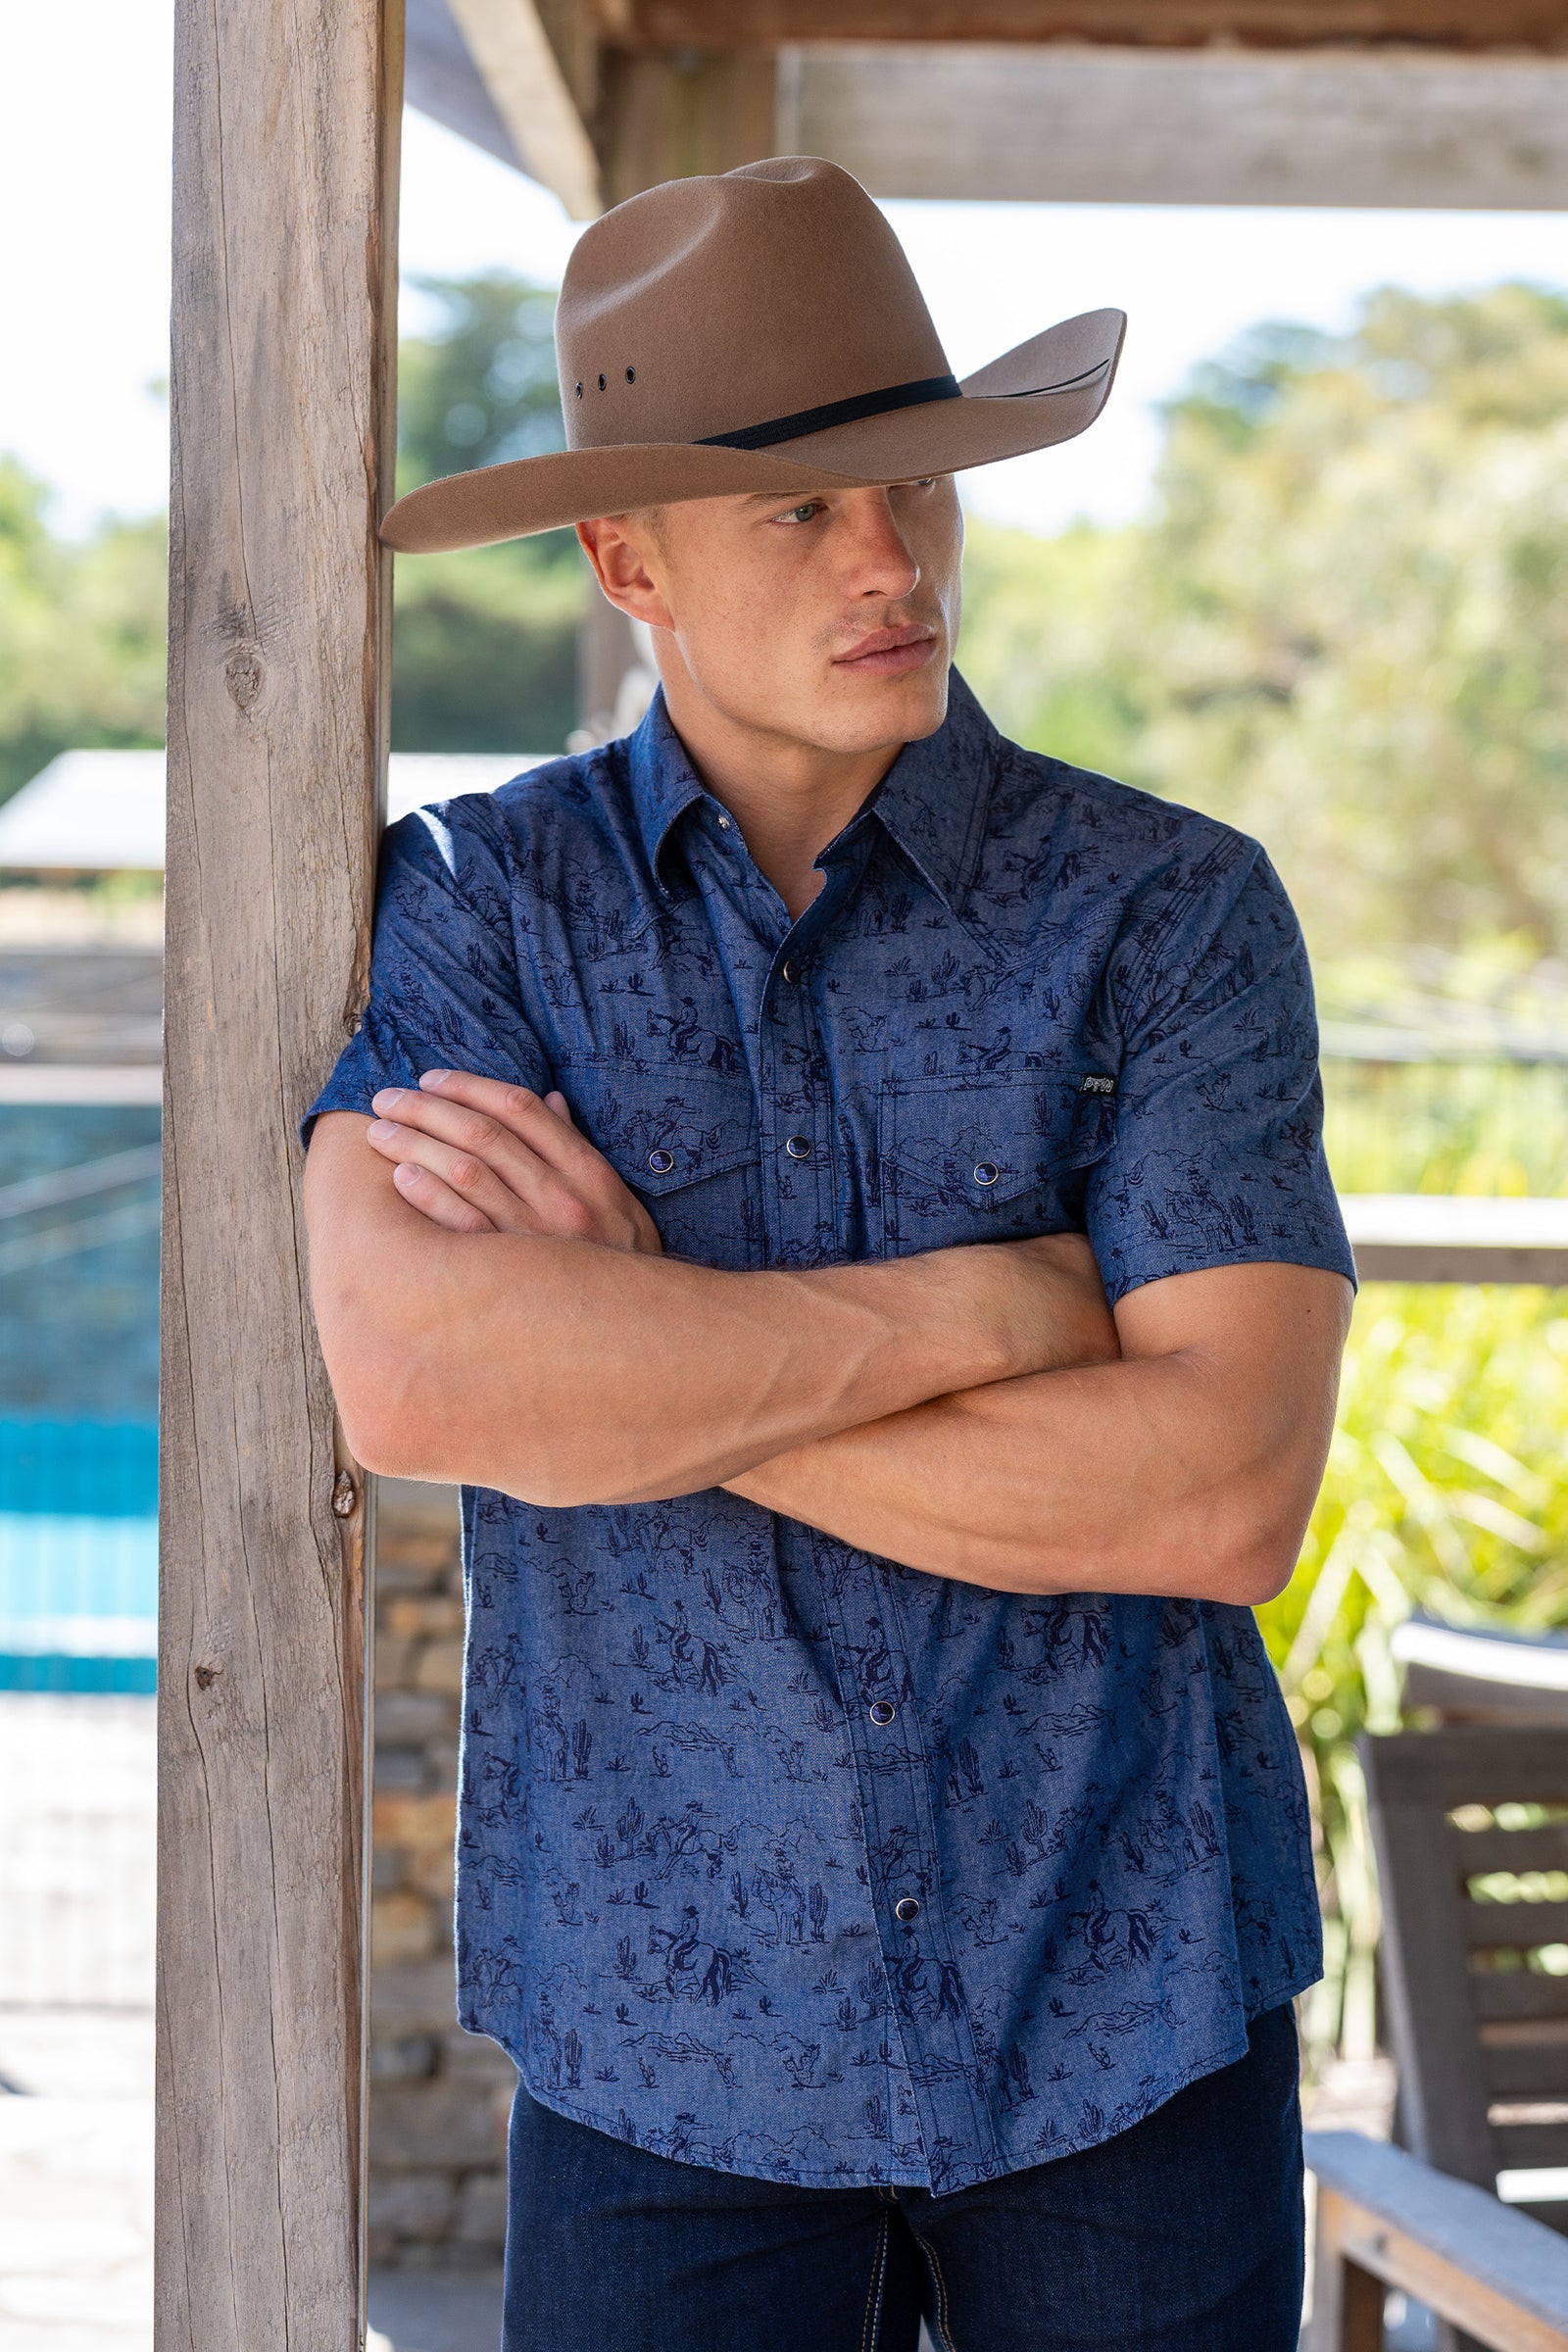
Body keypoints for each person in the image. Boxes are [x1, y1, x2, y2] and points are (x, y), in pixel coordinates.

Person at [304, 158, 1355, 2352]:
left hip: (1123, 2001)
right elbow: (421, 1385)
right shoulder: (487, 913)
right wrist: (999, 1308)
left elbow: (1219, 1493)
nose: (892, 559)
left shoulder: (1165, 912)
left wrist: (644, 1360)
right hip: (656, 2039)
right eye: (799, 510)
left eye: (918, 487)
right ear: (625, 560)